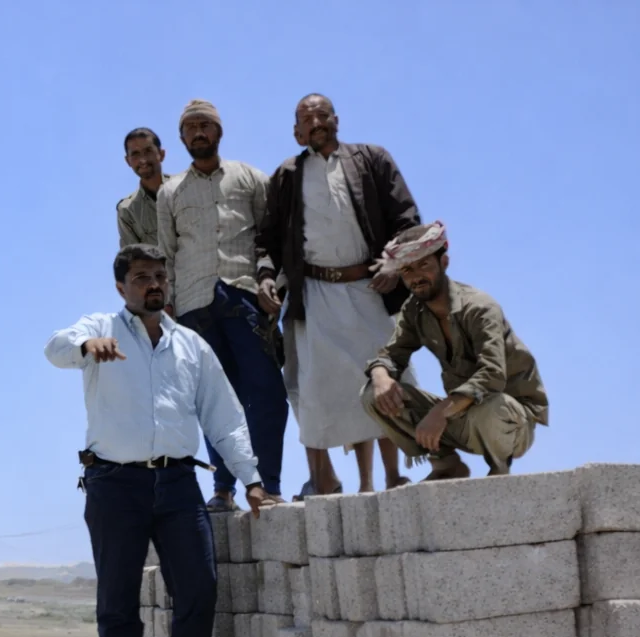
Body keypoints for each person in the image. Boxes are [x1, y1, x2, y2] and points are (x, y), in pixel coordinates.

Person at [46, 243, 274, 637]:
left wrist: (252, 479)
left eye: (159, 277)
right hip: (113, 484)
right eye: (142, 277)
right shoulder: (99, 327)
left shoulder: (191, 345)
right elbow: (55, 348)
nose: (153, 285)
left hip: (177, 484)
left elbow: (224, 416)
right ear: (121, 287)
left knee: (198, 588)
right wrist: (87, 347)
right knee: (117, 601)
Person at [257, 93, 420, 494]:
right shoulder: (288, 174)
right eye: (306, 119)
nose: (315, 123)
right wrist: (265, 277)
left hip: (371, 289)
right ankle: (358, 483)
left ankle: (393, 475)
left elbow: (406, 219)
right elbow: (268, 239)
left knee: (388, 381)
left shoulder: (372, 159)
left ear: (336, 119)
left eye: (322, 115)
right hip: (316, 296)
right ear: (296, 132)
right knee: (329, 392)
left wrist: (394, 264)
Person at [157, 99, 286, 511]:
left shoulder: (251, 178)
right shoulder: (170, 191)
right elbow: (166, 254)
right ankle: (223, 490)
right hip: (193, 306)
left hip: (245, 296)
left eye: (205, 125)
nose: (198, 133)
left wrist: (269, 283)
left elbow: (270, 238)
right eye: (190, 127)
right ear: (181, 137)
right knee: (213, 401)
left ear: (219, 131)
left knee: (266, 392)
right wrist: (167, 308)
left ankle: (269, 486)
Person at [361, 222, 549, 478]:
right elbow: (392, 355)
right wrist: (380, 375)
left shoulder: (479, 307)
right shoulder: (414, 310)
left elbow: (492, 375)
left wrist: (441, 411)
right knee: (374, 394)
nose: (416, 277)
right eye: (407, 269)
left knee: (494, 405)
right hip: (460, 416)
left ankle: (498, 471)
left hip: (510, 420)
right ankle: (446, 464)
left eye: (424, 265)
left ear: (444, 262)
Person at [117, 128, 172, 248]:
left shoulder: (185, 187)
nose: (142, 159)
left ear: (161, 154)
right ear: (128, 161)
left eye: (148, 151)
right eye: (135, 154)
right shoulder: (128, 211)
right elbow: (133, 256)